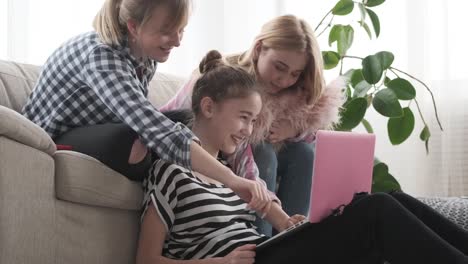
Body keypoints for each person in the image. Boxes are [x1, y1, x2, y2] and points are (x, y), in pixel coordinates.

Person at [136, 50, 468, 264]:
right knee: (376, 211)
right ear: (208, 107)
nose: (248, 130)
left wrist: (290, 224)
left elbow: (274, 222)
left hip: (268, 251)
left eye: (254, 120)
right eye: (243, 117)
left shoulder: (232, 180)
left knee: (386, 198)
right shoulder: (171, 173)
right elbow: (146, 260)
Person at [21, 0, 271, 214]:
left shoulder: (146, 54)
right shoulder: (102, 56)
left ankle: (210, 189)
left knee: (190, 121)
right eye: (167, 31)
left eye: (181, 30)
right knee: (138, 141)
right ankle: (198, 182)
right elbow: (151, 127)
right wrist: (232, 180)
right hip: (55, 139)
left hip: (105, 129)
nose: (177, 41)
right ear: (133, 26)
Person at [160, 14, 344, 235]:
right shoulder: (224, 76)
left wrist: (293, 129)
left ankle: (293, 238)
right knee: (263, 150)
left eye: (295, 74)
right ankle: (262, 240)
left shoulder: (293, 93)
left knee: (304, 153)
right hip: (220, 156)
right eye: (279, 67)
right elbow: (170, 117)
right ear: (259, 49)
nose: (284, 80)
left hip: (250, 157)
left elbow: (313, 130)